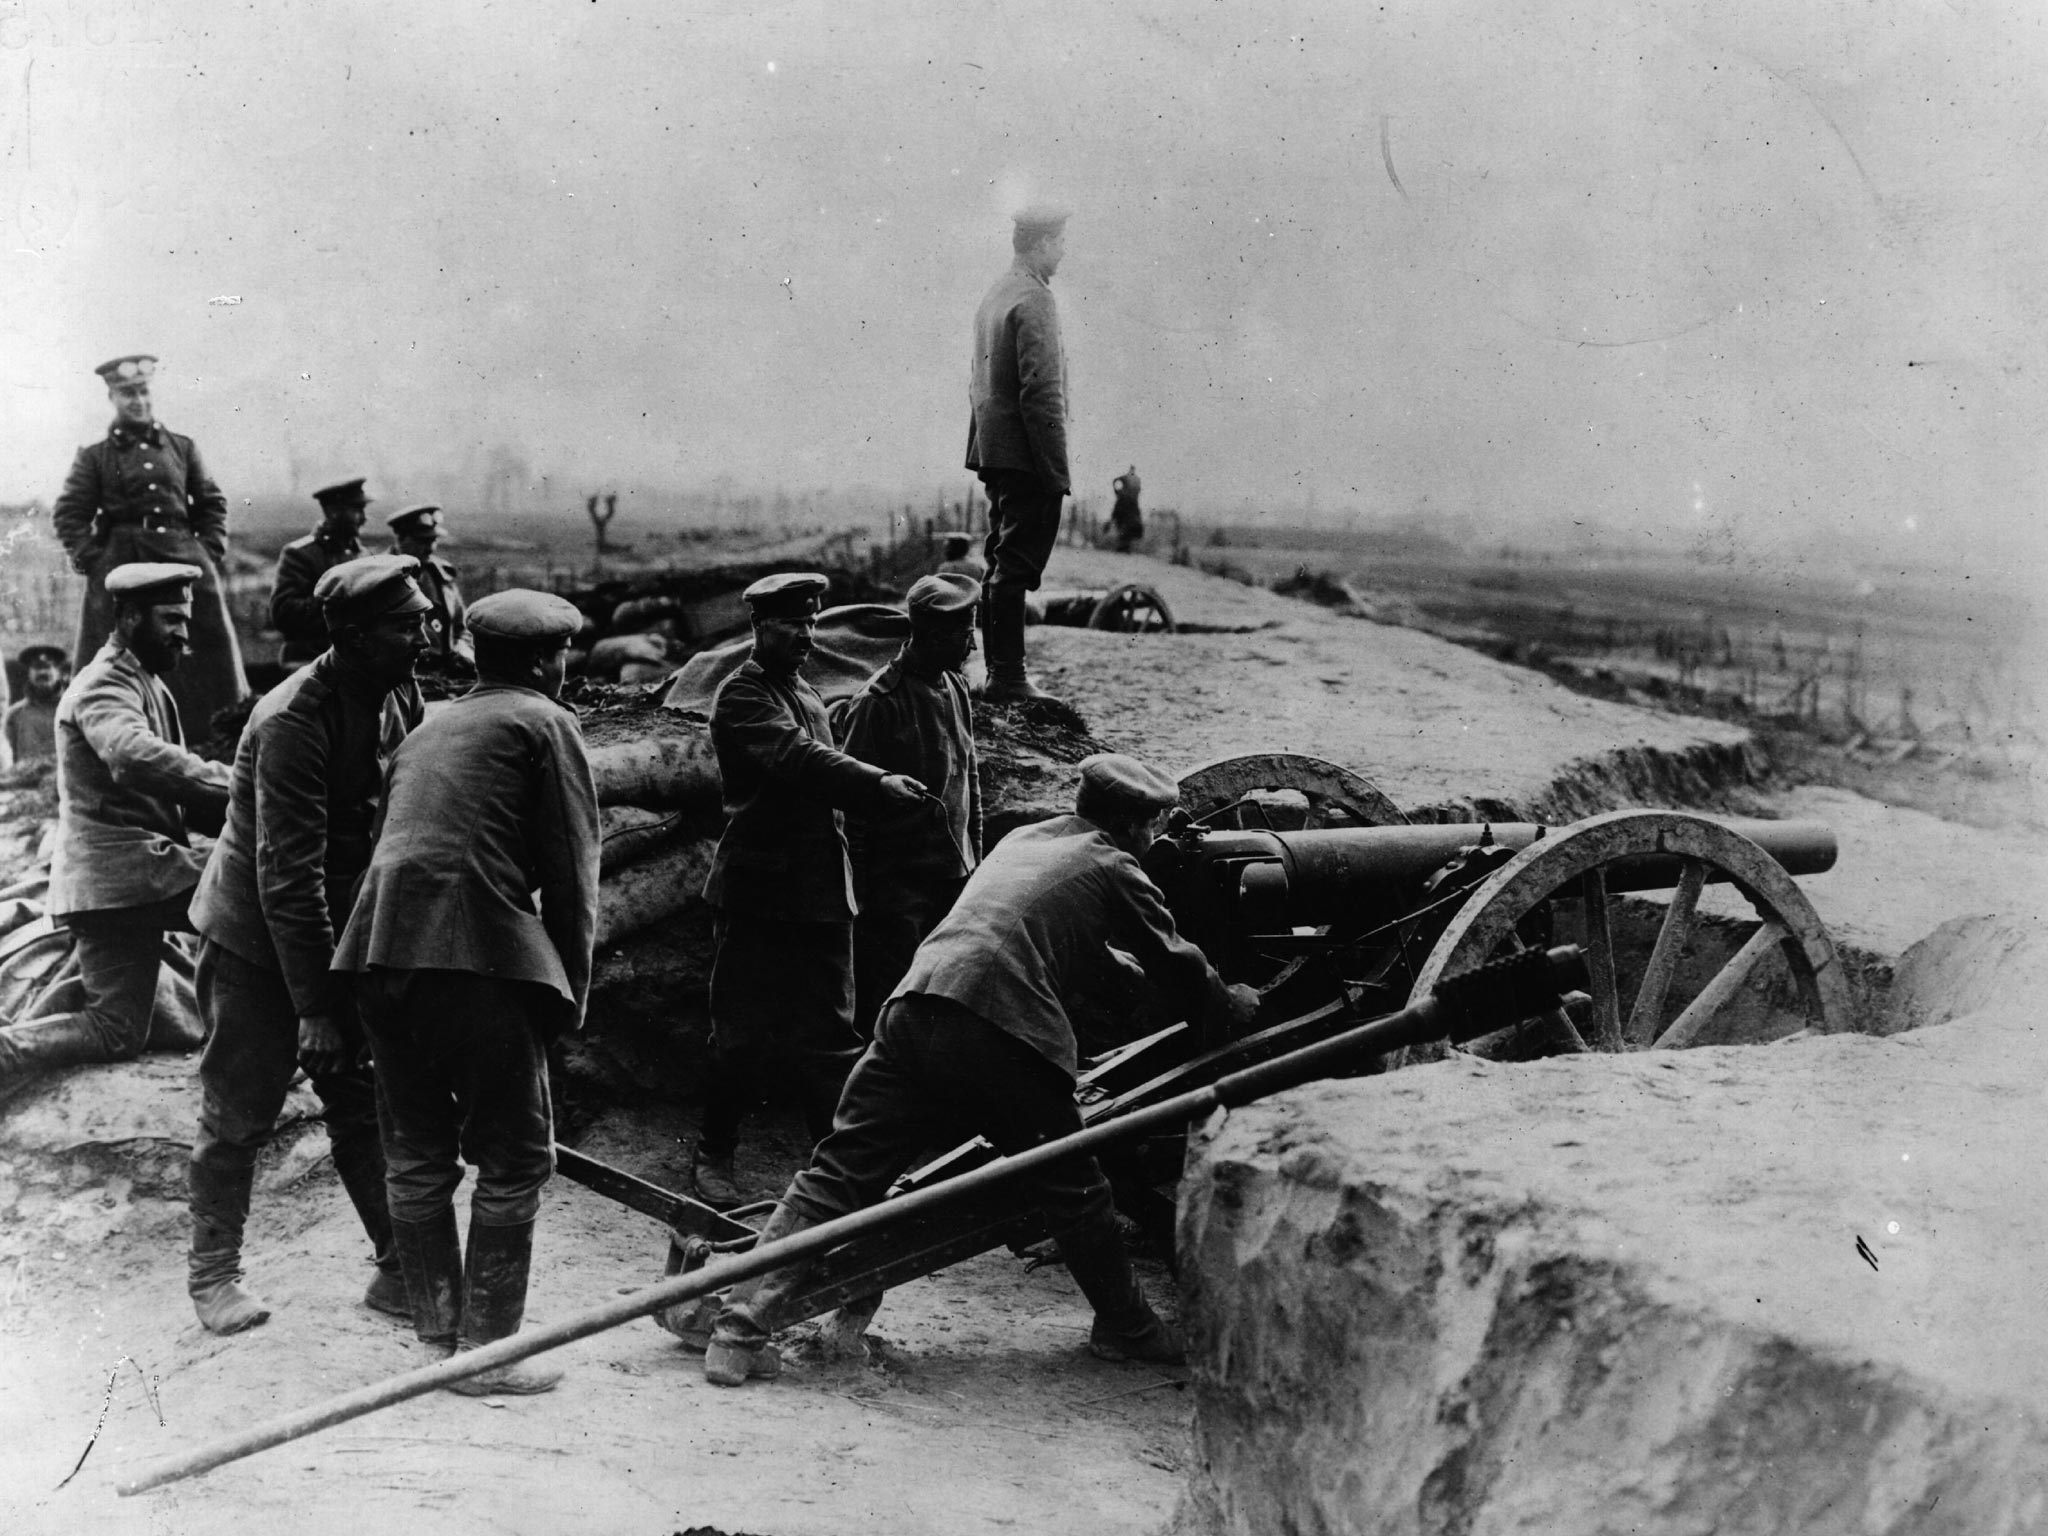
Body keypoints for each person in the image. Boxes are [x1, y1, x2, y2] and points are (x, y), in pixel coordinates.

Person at [700, 752, 1262, 1387]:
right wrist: (1232, 1003)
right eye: (1156, 824)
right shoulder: (1116, 864)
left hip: (916, 1006)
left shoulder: (1027, 839)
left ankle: (736, 1329)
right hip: (999, 1029)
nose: (1156, 836)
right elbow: (1176, 962)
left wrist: (1112, 973)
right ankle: (1126, 1328)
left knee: (837, 1174)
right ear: (1135, 824)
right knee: (1076, 1188)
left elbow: (1021, 928)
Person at [333, 588, 598, 1395]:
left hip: (378, 958)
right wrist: (567, 1000)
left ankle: (436, 1337)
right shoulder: (547, 723)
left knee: (416, 1152)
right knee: (517, 1156)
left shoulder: (428, 725)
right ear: (547, 660)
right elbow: (573, 878)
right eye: (562, 656)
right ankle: (487, 1357)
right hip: (475, 961)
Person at [183, 555, 432, 1335]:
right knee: (239, 1114)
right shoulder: (294, 719)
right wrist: (317, 1009)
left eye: (423, 618)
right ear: (355, 637)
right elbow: (285, 879)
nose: (424, 636)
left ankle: (399, 1270)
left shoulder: (398, 691)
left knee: (361, 1103)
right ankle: (213, 1276)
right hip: (258, 942)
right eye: (406, 625)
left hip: (337, 932)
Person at [692, 572, 928, 1209]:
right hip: (759, 894)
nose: (805, 635)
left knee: (832, 1039)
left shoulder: (807, 692)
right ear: (759, 628)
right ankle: (714, 1153)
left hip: (823, 892)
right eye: (792, 624)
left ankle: (838, 1166)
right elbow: (799, 760)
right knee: (740, 1036)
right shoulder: (742, 695)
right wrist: (877, 783)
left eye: (812, 623)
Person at [0, 564, 231, 1086]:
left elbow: (170, 787)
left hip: (107, 888)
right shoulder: (104, 685)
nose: (183, 632)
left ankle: (5, 1052)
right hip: (127, 875)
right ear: (128, 617)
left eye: (186, 619)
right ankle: (256, 1052)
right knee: (256, 895)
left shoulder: (141, 680)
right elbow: (132, 757)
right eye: (170, 618)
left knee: (115, 1029)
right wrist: (245, 784)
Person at [51, 354, 248, 740]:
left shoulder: (182, 448)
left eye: (143, 392)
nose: (137, 401)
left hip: (186, 564)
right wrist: (94, 560)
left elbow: (211, 503)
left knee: (204, 657)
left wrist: (206, 552)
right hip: (121, 569)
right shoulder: (95, 457)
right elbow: (70, 514)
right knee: (116, 655)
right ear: (112, 397)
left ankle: (217, 745)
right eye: (127, 394)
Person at [838, 573, 983, 1036]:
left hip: (953, 879)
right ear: (933, 635)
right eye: (964, 635)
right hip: (898, 892)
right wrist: (862, 896)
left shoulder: (956, 688)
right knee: (893, 1006)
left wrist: (974, 858)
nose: (973, 646)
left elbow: (969, 778)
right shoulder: (878, 703)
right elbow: (852, 805)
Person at [965, 205, 1073, 703]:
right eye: (1060, 242)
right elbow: (1042, 390)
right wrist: (1055, 470)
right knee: (1014, 563)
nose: (1063, 252)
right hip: (1026, 454)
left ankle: (1000, 672)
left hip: (995, 449)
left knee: (999, 559)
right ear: (1042, 243)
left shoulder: (996, 293)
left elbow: (979, 382)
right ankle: (1007, 677)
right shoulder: (1034, 298)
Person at [271, 478, 371, 667]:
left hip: (354, 663)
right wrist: (342, 601)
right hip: (310, 663)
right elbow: (284, 613)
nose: (364, 518)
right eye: (357, 510)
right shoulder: (299, 554)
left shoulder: (364, 555)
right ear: (333, 512)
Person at [384, 502, 472, 664]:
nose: (430, 548)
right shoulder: (379, 577)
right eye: (422, 541)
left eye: (433, 540)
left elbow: (462, 627)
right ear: (401, 538)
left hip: (446, 673)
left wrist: (463, 650)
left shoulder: (442, 575)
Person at [4, 645, 70, 765]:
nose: (43, 672)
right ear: (29, 672)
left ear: (59, 672)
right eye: (37, 668)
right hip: (26, 782)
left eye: (49, 667)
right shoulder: (15, 715)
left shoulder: (73, 711)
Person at [1110, 466, 1144, 553]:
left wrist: (1117, 492)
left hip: (1130, 504)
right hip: (1127, 503)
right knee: (1123, 523)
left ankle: (1125, 546)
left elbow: (1115, 481)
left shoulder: (1134, 479)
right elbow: (1115, 481)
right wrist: (1118, 492)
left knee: (1129, 525)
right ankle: (1123, 546)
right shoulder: (1132, 479)